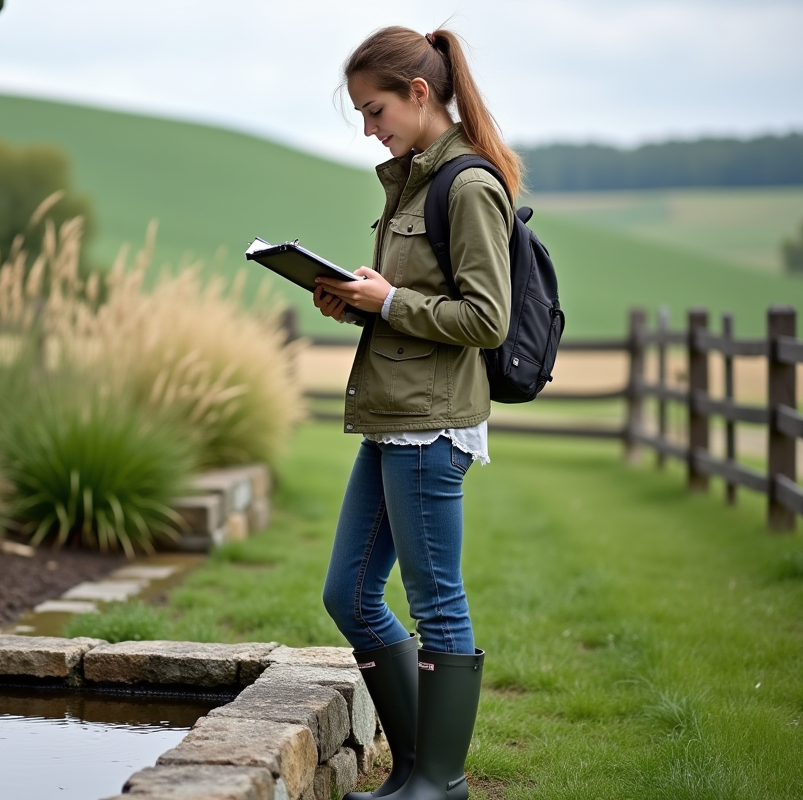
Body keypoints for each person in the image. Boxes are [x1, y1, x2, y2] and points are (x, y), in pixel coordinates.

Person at [312, 25, 521, 800]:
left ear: (418, 93)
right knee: (350, 594)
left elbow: (486, 320)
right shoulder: (412, 182)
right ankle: (412, 770)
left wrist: (389, 299)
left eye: (375, 110)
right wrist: (361, 302)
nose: (370, 128)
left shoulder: (467, 186)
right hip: (393, 419)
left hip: (432, 428)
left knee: (437, 602)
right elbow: (418, 307)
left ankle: (440, 781)